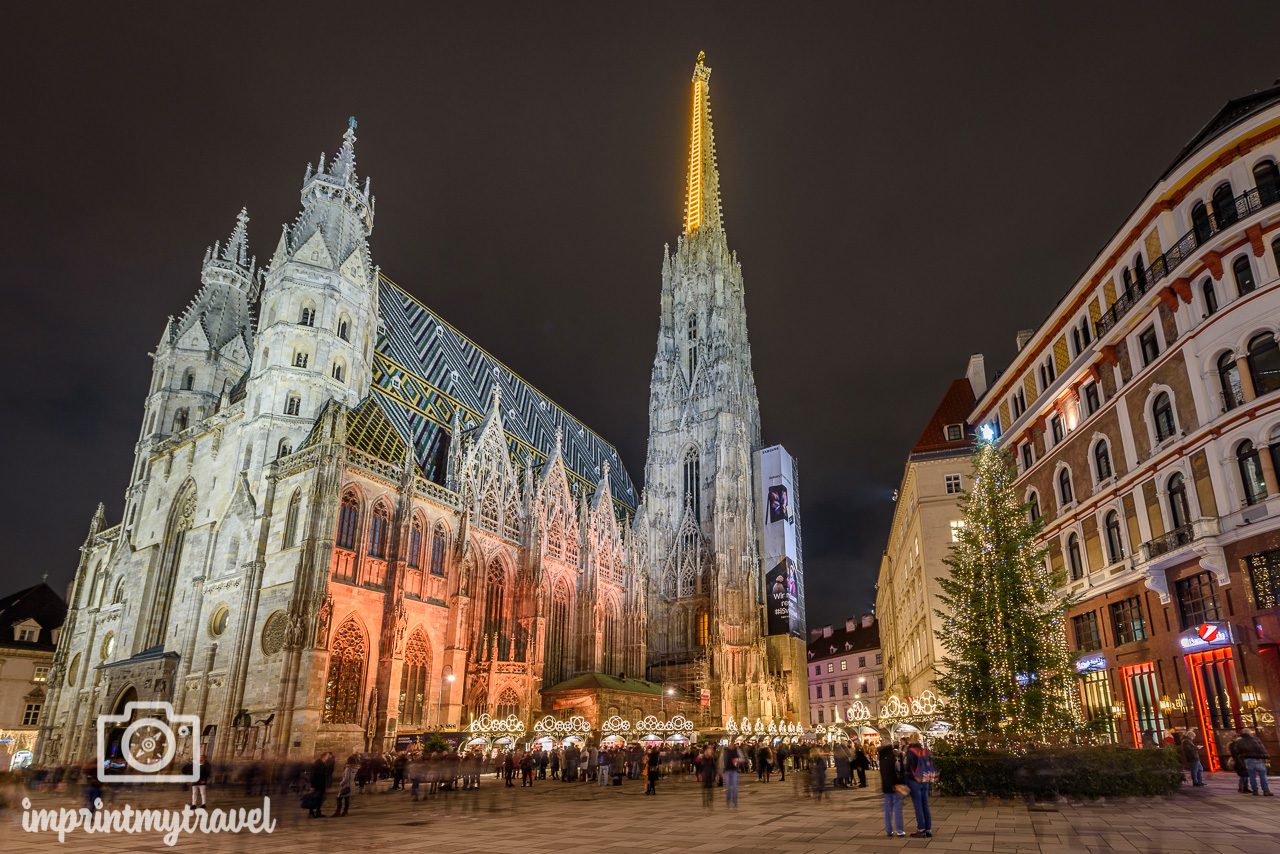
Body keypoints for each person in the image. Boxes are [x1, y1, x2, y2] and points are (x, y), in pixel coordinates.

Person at [904, 735, 936, 838]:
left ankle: (921, 829)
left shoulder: (910, 751)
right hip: (925, 779)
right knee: (925, 804)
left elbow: (908, 767)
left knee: (918, 805)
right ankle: (928, 829)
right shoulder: (925, 751)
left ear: (910, 741)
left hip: (915, 781)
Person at [878, 741, 906, 838]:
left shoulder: (881, 756)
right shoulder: (895, 756)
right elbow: (900, 770)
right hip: (896, 785)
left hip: (886, 786)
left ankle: (889, 831)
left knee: (887, 810)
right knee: (898, 809)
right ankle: (899, 831)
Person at [1235, 728, 1272, 795]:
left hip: (1248, 760)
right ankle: (1266, 790)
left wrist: (1242, 756)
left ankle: (1255, 791)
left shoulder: (1240, 741)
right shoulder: (1255, 739)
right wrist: (1267, 756)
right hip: (1258, 759)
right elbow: (1261, 749)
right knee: (1263, 775)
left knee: (1252, 777)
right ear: (1250, 733)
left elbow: (1237, 751)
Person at [307, 752, 330, 818]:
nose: (328, 757)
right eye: (327, 756)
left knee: (319, 799)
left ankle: (318, 812)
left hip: (321, 784)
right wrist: (312, 786)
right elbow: (313, 775)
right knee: (314, 799)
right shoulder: (318, 763)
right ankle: (311, 813)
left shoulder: (322, 763)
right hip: (317, 785)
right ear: (324, 756)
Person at [721, 743, 741, 808]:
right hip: (727, 771)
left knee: (735, 787)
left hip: (734, 771)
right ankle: (728, 800)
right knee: (728, 787)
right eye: (730, 745)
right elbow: (721, 760)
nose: (731, 746)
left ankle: (735, 802)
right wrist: (721, 770)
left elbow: (743, 758)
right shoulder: (725, 751)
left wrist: (737, 760)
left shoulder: (737, 750)